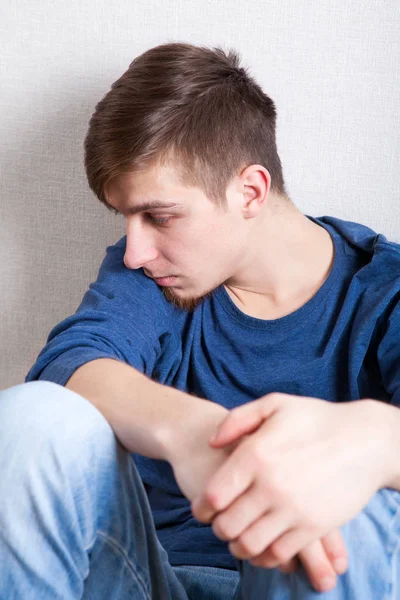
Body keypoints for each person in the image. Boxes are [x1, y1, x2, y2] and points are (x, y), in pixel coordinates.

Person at [0, 41, 399, 600]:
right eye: (126, 218)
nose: (135, 250)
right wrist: (197, 436)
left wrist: (371, 442)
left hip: (313, 574)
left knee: (349, 503)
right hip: (147, 579)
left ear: (250, 191)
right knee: (31, 417)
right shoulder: (151, 276)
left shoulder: (385, 292)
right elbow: (70, 363)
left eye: (158, 216)